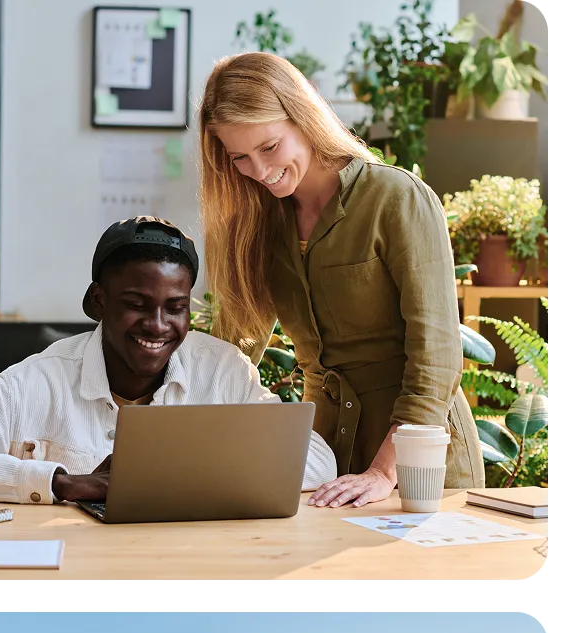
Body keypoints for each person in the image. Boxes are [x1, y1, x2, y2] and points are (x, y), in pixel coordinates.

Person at [195, 51, 484, 510]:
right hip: (324, 460)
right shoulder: (257, 224)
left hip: (420, 464)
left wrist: (384, 471)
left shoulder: (395, 198)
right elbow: (234, 349)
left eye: (269, 147)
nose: (260, 170)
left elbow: (437, 356)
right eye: (239, 157)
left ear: (303, 118)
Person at [0, 216, 337, 505]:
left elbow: (318, 462)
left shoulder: (222, 371)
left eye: (175, 307)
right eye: (136, 304)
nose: (157, 325)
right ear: (98, 302)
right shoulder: (36, 380)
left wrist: (180, 475)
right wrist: (61, 482)